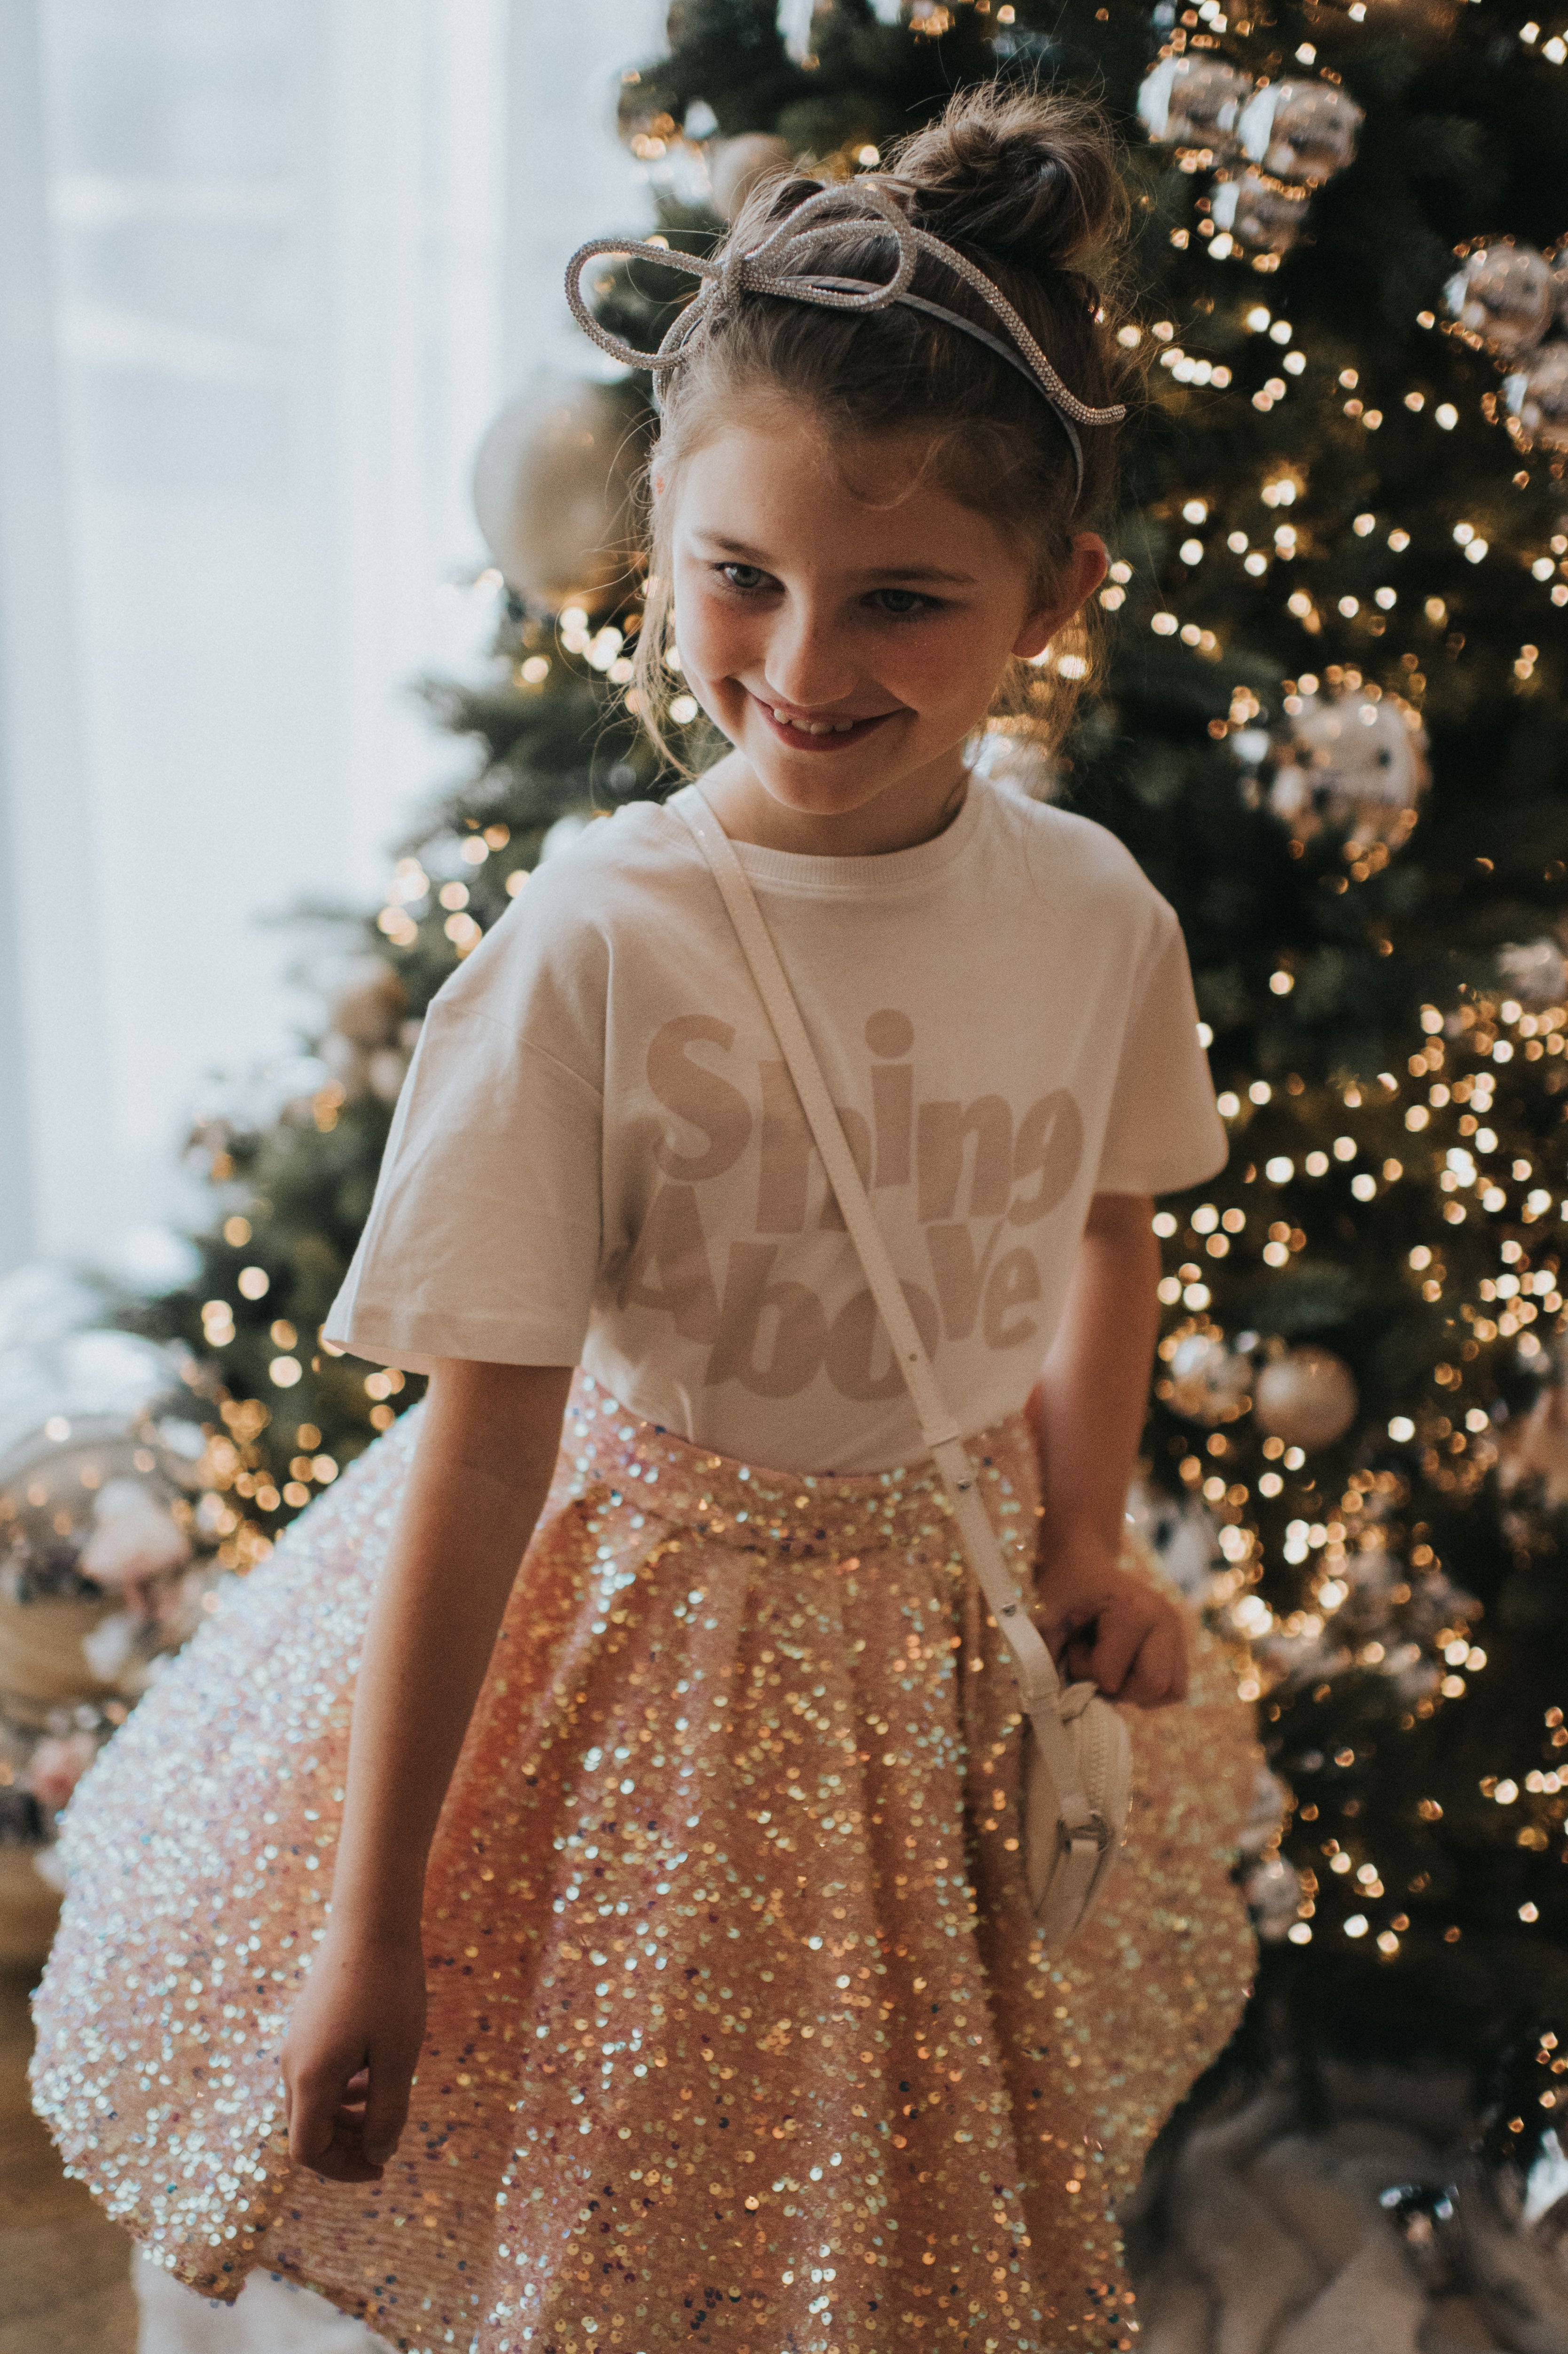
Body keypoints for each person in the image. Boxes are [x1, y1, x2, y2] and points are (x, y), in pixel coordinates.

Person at [32, 87, 1258, 2354]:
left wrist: (1083, 1541)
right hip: (626, 1649)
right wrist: (370, 1920)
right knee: (590, 2185)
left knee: (861, 2202)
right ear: (663, 539)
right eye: (743, 578)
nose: (804, 666)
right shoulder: (593, 943)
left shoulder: (1096, 910)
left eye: (902, 600)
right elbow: (488, 1439)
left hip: (932, 1650)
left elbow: (1107, 1230)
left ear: (1054, 597)